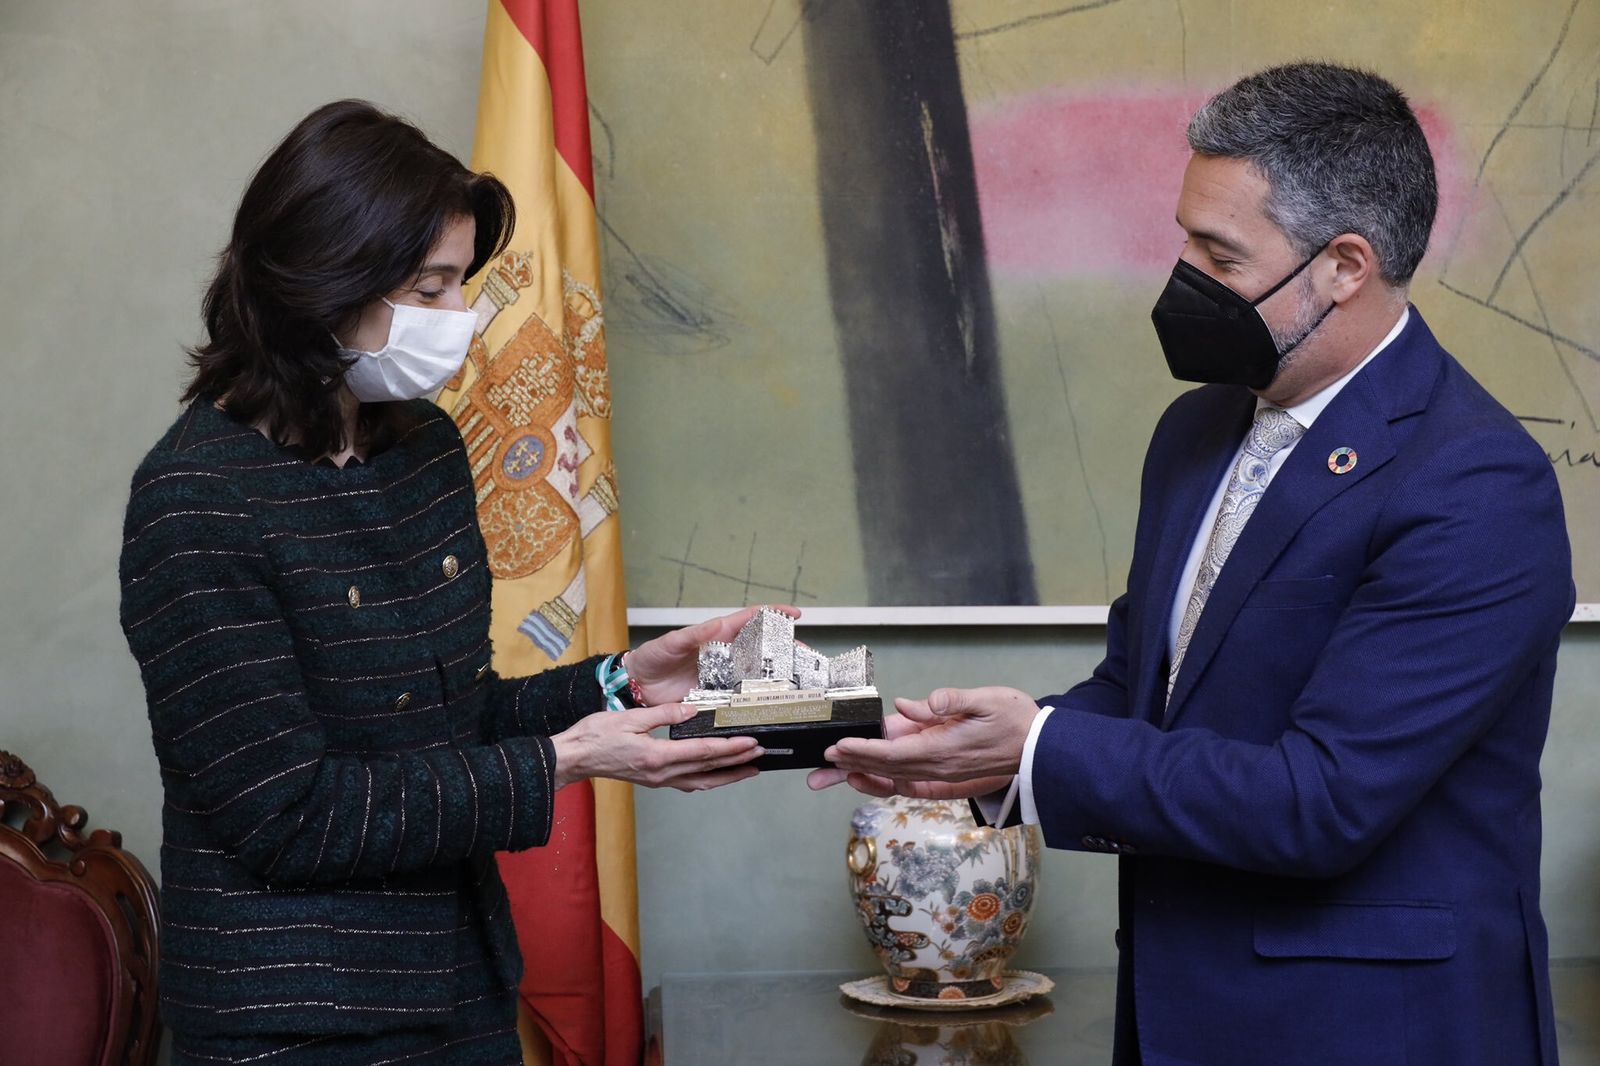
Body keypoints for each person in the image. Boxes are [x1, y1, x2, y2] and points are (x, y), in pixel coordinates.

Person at [811, 63, 1574, 1066]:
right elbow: (1141, 694)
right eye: (1183, 235)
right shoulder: (1196, 429)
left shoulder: (1476, 484)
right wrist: (958, 755)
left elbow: (1323, 800)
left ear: (1344, 264)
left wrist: (1034, 747)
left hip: (1372, 1033)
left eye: (1217, 251)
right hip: (1177, 1014)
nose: (1177, 273)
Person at [119, 99, 774, 1065]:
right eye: (430, 291)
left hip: (458, 983)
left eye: (460, 285)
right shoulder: (195, 499)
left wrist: (627, 682)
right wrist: (570, 761)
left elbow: (447, 719)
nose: (459, 319)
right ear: (321, 282)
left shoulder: (420, 445)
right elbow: (290, 817)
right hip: (294, 1019)